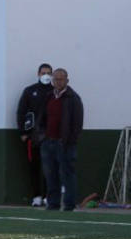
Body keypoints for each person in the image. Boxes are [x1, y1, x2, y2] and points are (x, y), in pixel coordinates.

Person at [38, 68, 83, 212]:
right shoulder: (48, 96)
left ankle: (69, 205)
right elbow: (42, 117)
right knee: (50, 175)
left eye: (61, 79)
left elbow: (77, 123)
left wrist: (69, 141)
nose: (58, 82)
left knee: (67, 175)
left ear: (67, 80)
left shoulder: (73, 98)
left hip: (65, 144)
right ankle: (53, 204)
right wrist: (42, 136)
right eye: (55, 79)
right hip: (48, 142)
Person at [16, 63, 53, 207]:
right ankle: (36, 196)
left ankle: (48, 196)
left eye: (49, 73)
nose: (46, 76)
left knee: (49, 168)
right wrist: (23, 133)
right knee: (34, 167)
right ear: (38, 74)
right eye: (43, 73)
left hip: (51, 137)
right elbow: (21, 112)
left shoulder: (55, 91)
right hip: (33, 137)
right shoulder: (30, 91)